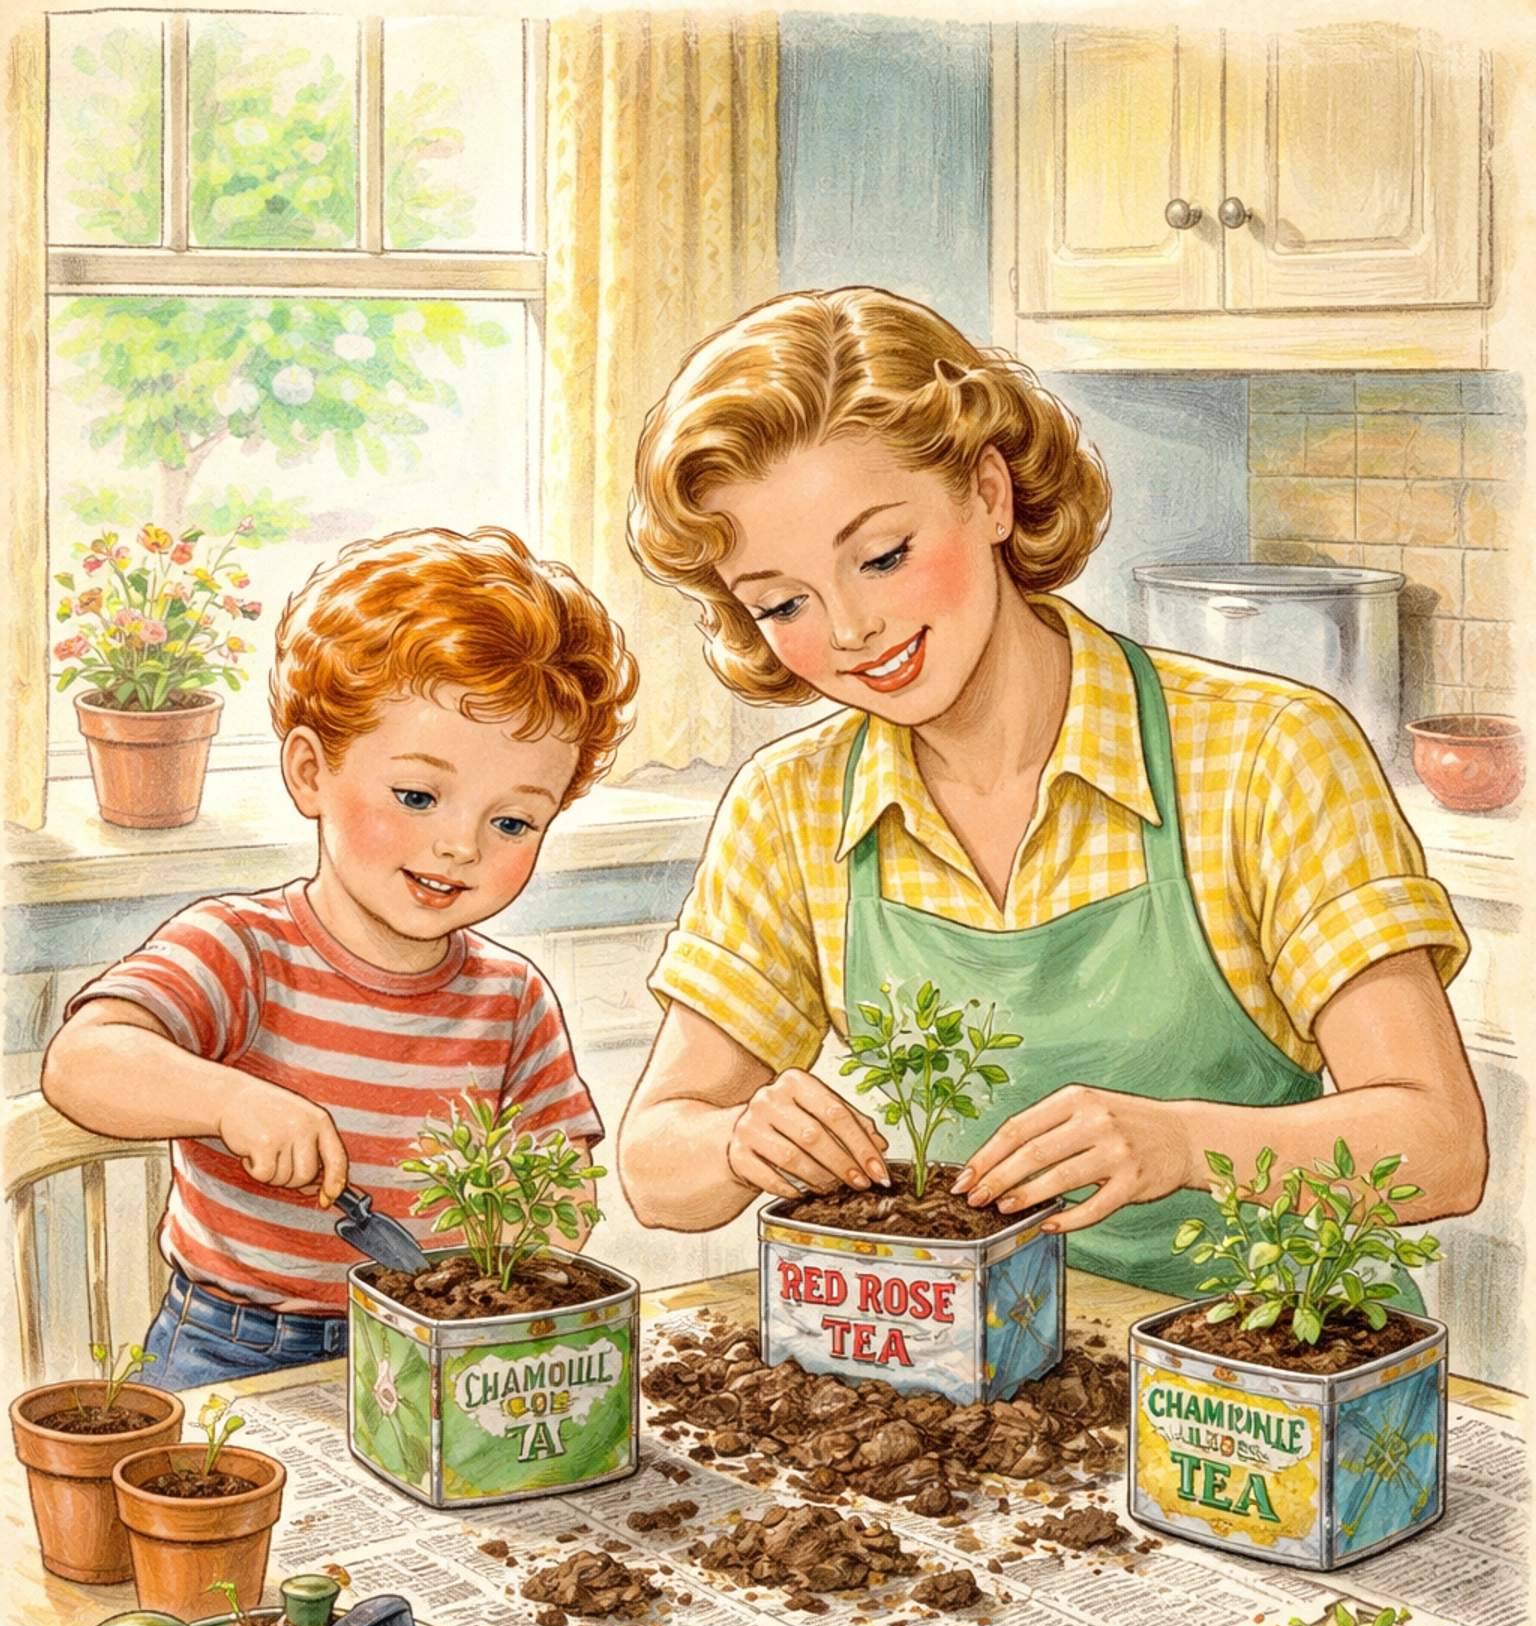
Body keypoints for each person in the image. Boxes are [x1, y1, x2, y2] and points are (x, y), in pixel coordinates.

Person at [618, 287, 1486, 1287]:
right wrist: (737, 1143)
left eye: (884, 556)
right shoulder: (792, 807)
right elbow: (654, 1166)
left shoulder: (1268, 754)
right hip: (974, 1373)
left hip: (1257, 1376)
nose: (851, 628)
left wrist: (1185, 1144)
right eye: (782, 602)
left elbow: (1442, 1145)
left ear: (989, 494)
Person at [43, 526, 637, 1386]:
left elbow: (562, 1180)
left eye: (513, 821)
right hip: (230, 1344)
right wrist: (231, 1100)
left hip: (430, 1345)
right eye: (417, 795)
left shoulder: (510, 998)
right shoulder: (241, 950)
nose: (460, 845)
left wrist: (520, 1258)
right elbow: (83, 1061)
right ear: (310, 772)